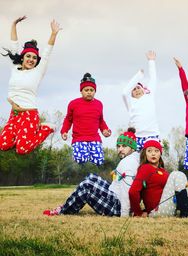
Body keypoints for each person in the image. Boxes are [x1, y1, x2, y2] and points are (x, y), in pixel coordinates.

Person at [43, 128, 139, 217]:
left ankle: (63, 210)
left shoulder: (129, 163)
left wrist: (125, 214)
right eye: (118, 146)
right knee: (91, 177)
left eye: (124, 146)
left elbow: (128, 191)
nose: (120, 149)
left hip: (118, 207)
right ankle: (68, 204)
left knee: (87, 186)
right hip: (115, 196)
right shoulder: (129, 159)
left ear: (133, 148)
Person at [0, 16, 61, 154]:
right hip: (14, 114)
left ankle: (46, 128)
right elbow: (14, 44)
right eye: (28, 56)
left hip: (29, 113)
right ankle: (24, 135)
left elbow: (46, 54)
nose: (31, 60)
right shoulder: (14, 67)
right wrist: (13, 24)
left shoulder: (37, 72)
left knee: (22, 149)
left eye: (34, 58)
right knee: (3, 144)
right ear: (22, 57)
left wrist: (53, 34)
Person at [129, 139, 188, 218]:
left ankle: (187, 208)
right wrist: (138, 212)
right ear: (144, 154)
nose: (153, 154)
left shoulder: (162, 170)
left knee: (181, 177)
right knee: (176, 174)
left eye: (156, 151)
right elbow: (133, 192)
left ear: (160, 153)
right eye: (149, 151)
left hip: (169, 207)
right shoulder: (145, 168)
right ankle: (186, 210)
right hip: (157, 210)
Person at [60, 73, 111, 166]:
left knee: (99, 161)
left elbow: (101, 121)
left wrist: (105, 130)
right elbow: (68, 119)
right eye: (86, 90)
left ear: (95, 91)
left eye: (92, 90)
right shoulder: (74, 104)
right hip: (79, 138)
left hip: (94, 138)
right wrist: (64, 131)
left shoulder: (99, 104)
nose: (89, 92)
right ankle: (77, 157)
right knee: (81, 158)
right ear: (81, 91)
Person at [122, 50, 160, 151]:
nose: (137, 90)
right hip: (137, 137)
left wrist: (151, 61)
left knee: (153, 161)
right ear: (131, 94)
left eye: (138, 88)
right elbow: (124, 92)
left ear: (143, 89)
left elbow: (153, 78)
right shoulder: (131, 103)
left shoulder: (149, 95)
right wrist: (138, 76)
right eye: (134, 89)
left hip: (153, 135)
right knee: (138, 162)